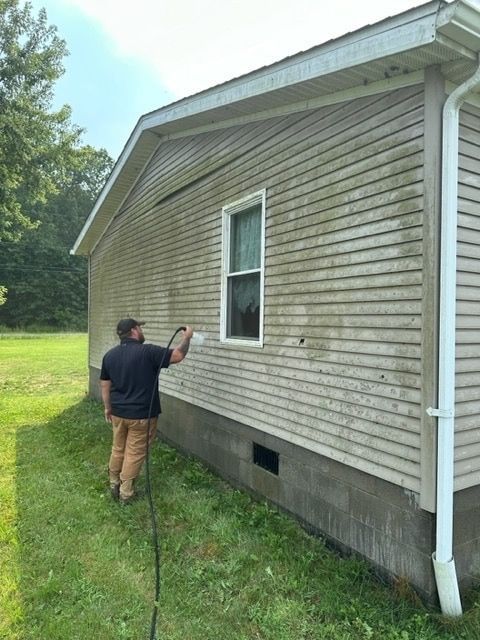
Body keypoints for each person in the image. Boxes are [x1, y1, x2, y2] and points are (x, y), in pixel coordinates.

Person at [100, 318, 193, 504]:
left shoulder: (109, 356)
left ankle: (114, 483)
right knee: (134, 453)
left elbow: (104, 385)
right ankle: (126, 494)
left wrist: (108, 408)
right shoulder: (148, 352)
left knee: (118, 448)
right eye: (140, 328)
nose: (142, 331)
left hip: (118, 413)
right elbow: (177, 355)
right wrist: (187, 338)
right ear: (134, 330)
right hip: (142, 416)